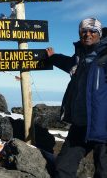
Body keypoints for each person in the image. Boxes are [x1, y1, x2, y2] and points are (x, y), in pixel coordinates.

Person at [46, 18, 107, 178]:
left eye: (93, 31)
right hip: (80, 125)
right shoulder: (79, 58)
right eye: (84, 31)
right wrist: (53, 57)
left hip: (103, 126)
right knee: (62, 168)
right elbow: (67, 62)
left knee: (104, 172)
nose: (88, 34)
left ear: (99, 33)